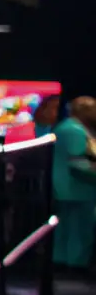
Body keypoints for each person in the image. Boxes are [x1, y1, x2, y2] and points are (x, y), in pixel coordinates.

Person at [52, 97, 96, 272]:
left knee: (66, 230)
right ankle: (75, 265)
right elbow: (78, 163)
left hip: (66, 190)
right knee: (79, 231)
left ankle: (63, 263)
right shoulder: (75, 131)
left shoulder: (65, 127)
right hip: (77, 190)